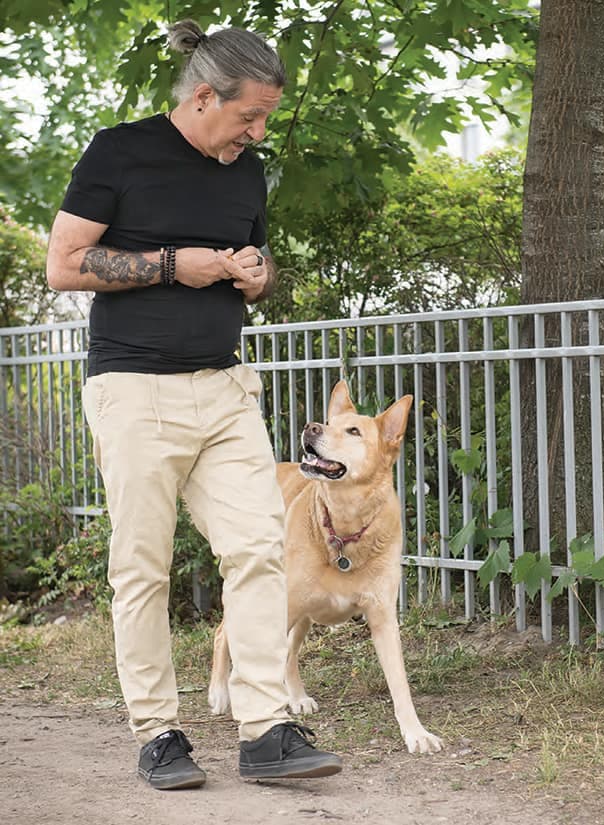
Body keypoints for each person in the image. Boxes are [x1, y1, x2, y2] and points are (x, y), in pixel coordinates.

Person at [45, 19, 342, 790]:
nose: (258, 130)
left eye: (266, 117)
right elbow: (66, 265)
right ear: (204, 96)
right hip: (133, 389)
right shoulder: (120, 151)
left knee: (257, 548)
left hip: (225, 387)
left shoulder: (245, 170)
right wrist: (180, 263)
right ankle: (159, 732)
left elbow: (260, 256)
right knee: (139, 567)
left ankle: (265, 728)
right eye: (250, 115)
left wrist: (254, 274)